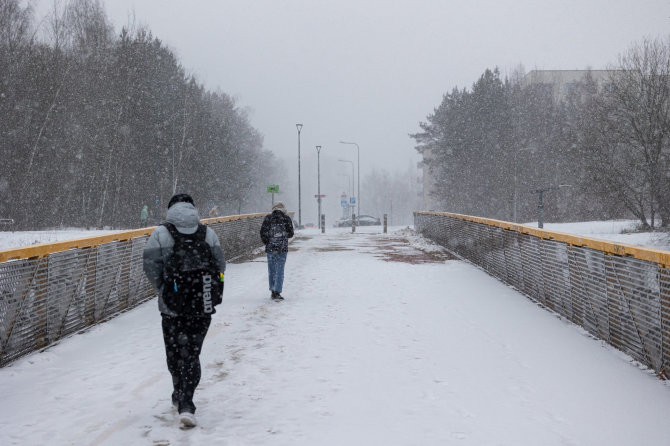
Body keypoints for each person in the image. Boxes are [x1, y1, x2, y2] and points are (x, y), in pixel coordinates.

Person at [142, 193, 226, 428]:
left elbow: (149, 265)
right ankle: (187, 401)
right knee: (192, 353)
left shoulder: (160, 233)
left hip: (172, 307)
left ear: (170, 210)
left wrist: (165, 288)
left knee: (175, 352)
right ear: (193, 209)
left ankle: (181, 395)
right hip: (202, 304)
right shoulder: (207, 233)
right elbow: (221, 265)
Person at [260, 201, 294, 301]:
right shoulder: (286, 218)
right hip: (282, 249)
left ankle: (272, 291)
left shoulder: (268, 218)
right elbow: (291, 233)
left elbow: (263, 233)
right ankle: (277, 291)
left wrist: (268, 242)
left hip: (270, 249)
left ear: (273, 208)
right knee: (280, 270)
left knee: (272, 270)